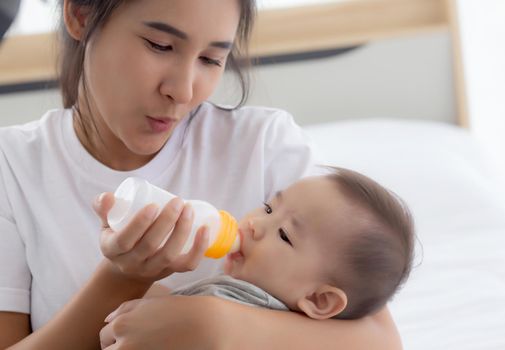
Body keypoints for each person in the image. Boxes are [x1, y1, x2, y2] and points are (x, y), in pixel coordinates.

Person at [0, 0, 403, 349]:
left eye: (211, 59)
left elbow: (381, 341)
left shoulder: (264, 145)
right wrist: (122, 278)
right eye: (160, 45)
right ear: (80, 15)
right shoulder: (11, 166)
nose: (184, 90)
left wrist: (218, 325)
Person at [139, 167, 414, 323]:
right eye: (268, 209)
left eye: (284, 235)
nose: (254, 225)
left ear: (319, 299)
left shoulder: (228, 308)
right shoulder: (242, 298)